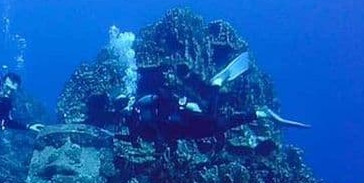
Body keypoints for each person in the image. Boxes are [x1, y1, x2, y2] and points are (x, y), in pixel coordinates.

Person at [120, 51, 310, 143]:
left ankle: (217, 83)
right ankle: (262, 113)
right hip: (186, 131)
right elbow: (142, 138)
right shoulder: (135, 126)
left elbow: (162, 97)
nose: (127, 114)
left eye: (124, 106)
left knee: (212, 118)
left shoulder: (141, 104)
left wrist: (181, 103)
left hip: (184, 116)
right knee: (219, 125)